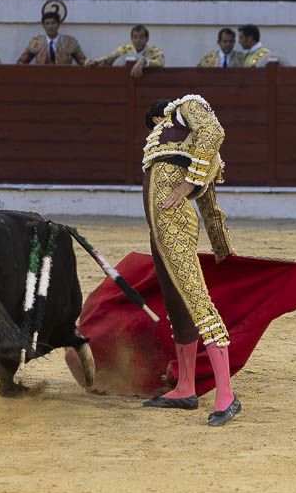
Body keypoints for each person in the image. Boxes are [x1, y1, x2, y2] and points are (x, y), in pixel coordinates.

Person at [139, 95, 240, 427]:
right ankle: (185, 387)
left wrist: (186, 184)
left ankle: (227, 395)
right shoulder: (195, 150)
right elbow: (208, 196)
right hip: (160, 227)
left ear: (158, 120)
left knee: (196, 300)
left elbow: (213, 131)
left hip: (173, 223)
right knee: (177, 303)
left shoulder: (185, 107)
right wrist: (220, 242)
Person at [86, 24, 164, 78]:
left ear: (147, 39)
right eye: (135, 37)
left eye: (141, 37)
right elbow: (109, 57)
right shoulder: (125, 49)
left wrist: (143, 61)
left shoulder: (155, 51)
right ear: (131, 39)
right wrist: (96, 61)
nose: (138, 40)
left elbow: (160, 62)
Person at [17, 10, 85, 65]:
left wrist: (89, 63)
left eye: (53, 23)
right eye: (47, 23)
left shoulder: (70, 41)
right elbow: (22, 61)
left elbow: (83, 61)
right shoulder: (36, 41)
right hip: (41, 77)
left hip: (63, 77)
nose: (50, 26)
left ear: (58, 24)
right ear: (43, 25)